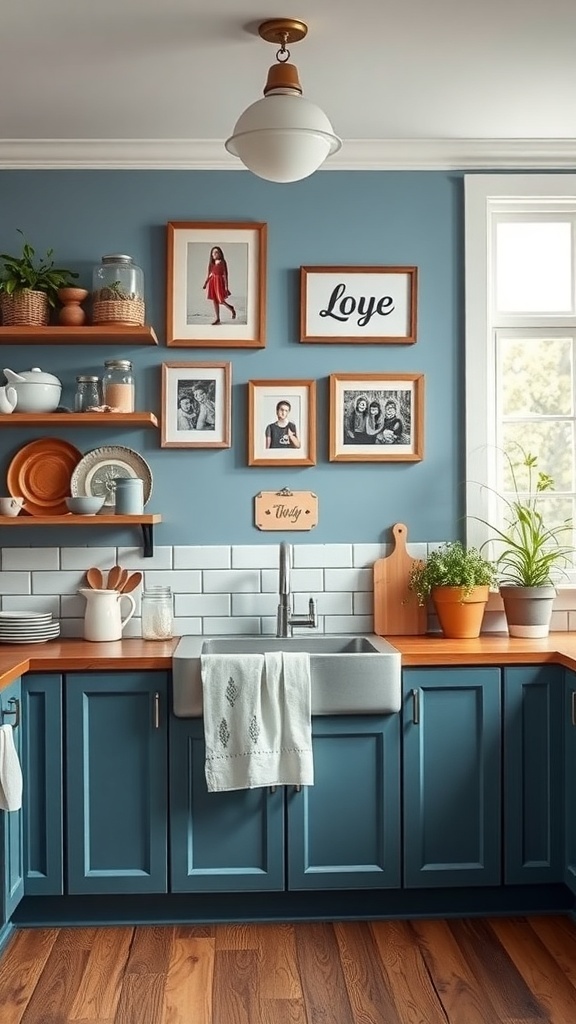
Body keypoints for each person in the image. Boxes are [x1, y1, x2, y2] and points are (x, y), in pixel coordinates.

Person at [203, 246, 236, 325]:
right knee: (215, 300)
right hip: (212, 282)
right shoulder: (212, 263)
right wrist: (206, 283)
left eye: (216, 252)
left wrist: (226, 286)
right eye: (213, 253)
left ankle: (231, 308)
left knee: (220, 300)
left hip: (219, 282)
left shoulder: (222, 262)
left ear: (220, 253)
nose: (214, 254)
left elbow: (225, 274)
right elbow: (211, 274)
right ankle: (217, 318)